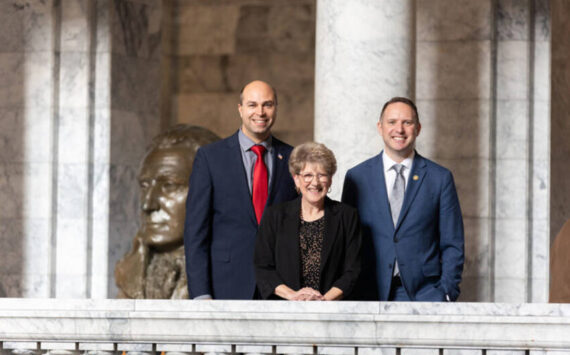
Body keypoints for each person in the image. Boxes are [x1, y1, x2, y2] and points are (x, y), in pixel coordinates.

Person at [342, 97, 464, 302]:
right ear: (380, 127)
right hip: (367, 292)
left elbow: (452, 242)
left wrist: (446, 291)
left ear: (418, 128)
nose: (399, 129)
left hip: (424, 293)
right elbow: (346, 241)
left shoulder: (439, 178)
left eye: (407, 122)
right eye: (392, 122)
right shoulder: (357, 177)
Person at [184, 80, 298, 300]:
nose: (260, 112)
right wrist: (200, 293)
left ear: (276, 108)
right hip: (225, 286)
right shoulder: (211, 158)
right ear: (240, 109)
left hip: (281, 288)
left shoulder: (293, 158)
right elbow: (195, 232)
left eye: (268, 104)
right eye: (252, 105)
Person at [115, 124, 219, 299]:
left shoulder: (234, 273)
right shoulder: (128, 275)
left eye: (169, 186)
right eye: (144, 186)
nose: (148, 204)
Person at [254, 142, 361, 301]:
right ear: (296, 179)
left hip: (332, 309)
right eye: (308, 175)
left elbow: (353, 270)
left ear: (330, 179)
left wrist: (323, 300)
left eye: (322, 175)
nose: (315, 182)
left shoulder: (347, 216)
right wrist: (293, 296)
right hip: (284, 309)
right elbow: (263, 267)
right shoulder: (274, 215)